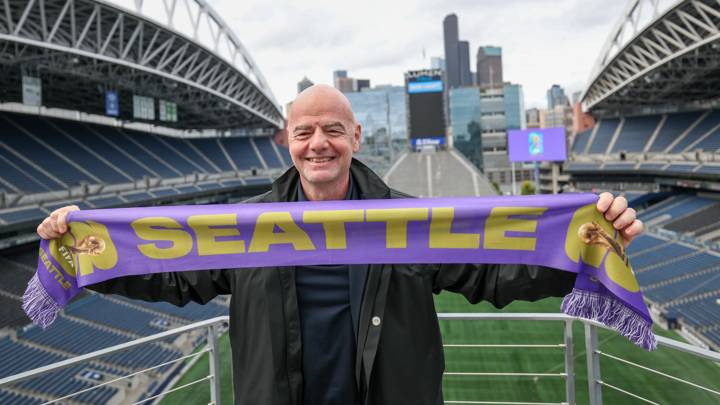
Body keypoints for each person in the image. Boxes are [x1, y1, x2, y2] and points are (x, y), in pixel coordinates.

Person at [37, 84, 643, 405]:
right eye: (304, 132)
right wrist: (79, 245)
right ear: (287, 142)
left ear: (356, 135)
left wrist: (590, 242)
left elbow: (492, 271)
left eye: (332, 130)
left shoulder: (410, 222)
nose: (318, 143)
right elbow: (170, 272)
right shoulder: (243, 230)